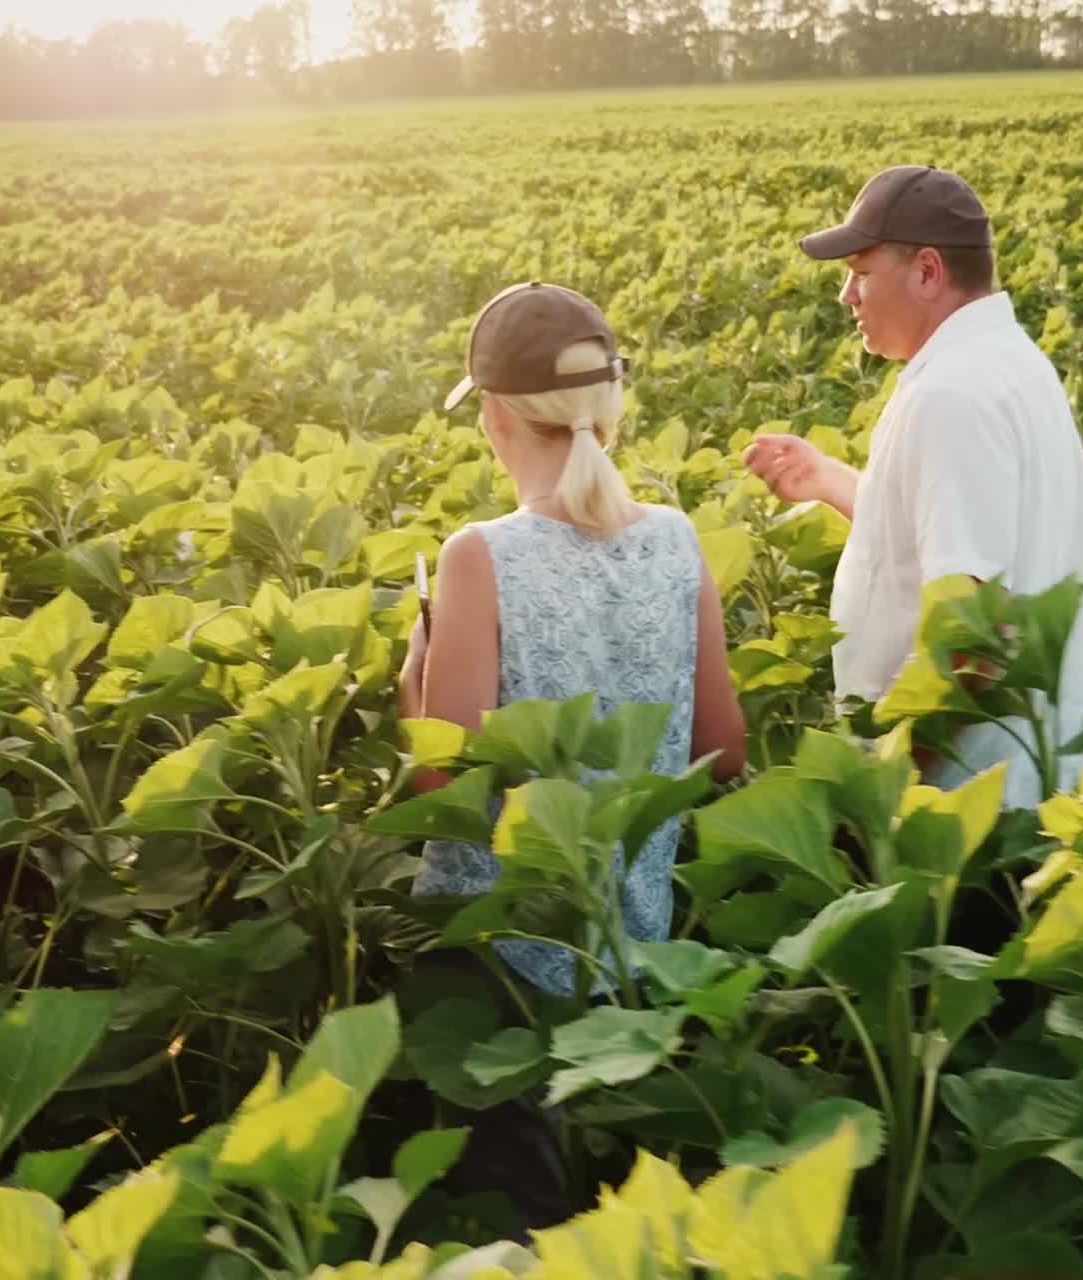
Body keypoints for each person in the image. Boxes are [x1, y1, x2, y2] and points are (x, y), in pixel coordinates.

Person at [395, 281, 745, 1229]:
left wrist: (409, 683)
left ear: (496, 417)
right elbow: (724, 753)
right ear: (613, 407)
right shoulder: (678, 541)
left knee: (523, 1219)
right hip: (639, 951)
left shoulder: (480, 555)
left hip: (509, 961)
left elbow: (446, 785)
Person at [745, 165, 1083, 809]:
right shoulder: (1008, 362)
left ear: (928, 271)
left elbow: (974, 630)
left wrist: (890, 774)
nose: (846, 295)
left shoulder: (951, 396)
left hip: (972, 803)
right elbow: (954, 539)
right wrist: (828, 479)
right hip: (1032, 776)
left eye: (861, 271)